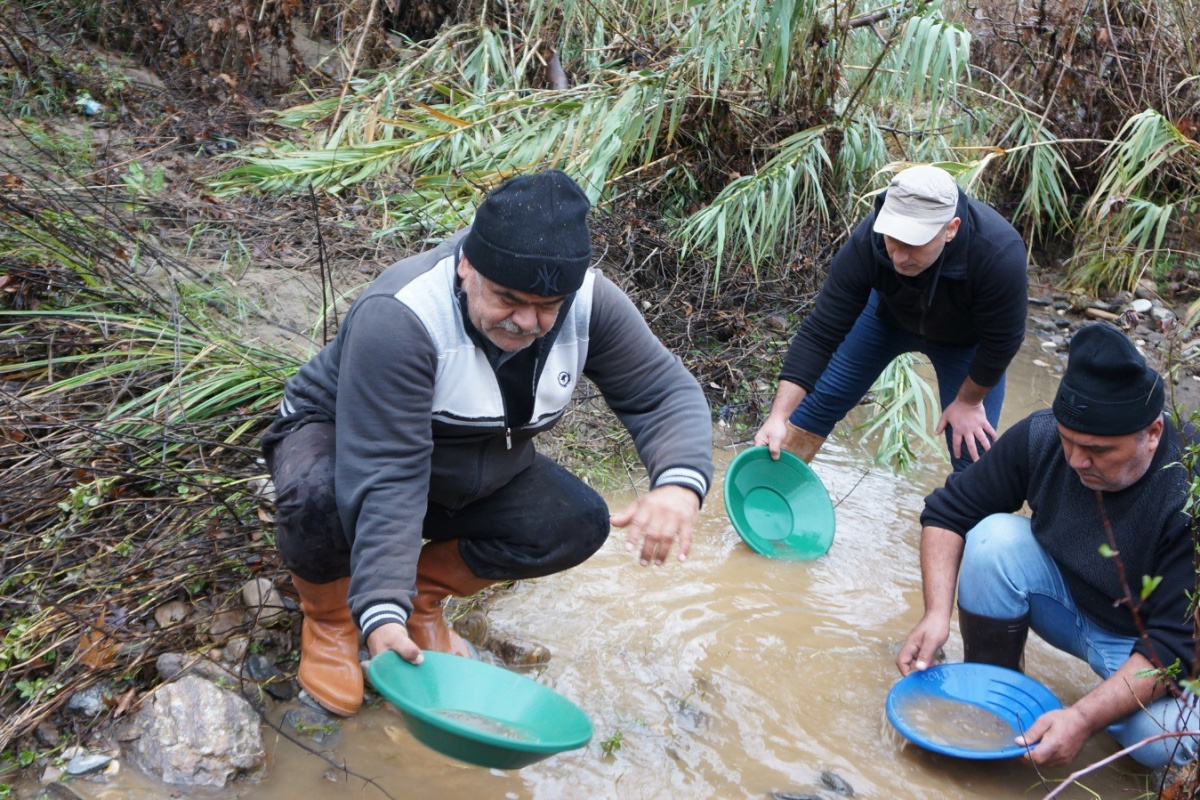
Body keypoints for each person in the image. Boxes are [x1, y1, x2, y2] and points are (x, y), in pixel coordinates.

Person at [262, 170, 714, 717]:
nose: (526, 322)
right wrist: (379, 608)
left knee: (574, 522)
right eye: (508, 299)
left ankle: (423, 600)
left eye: (547, 306)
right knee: (318, 492)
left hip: (469, 457)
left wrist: (678, 485)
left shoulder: (591, 304)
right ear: (467, 267)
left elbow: (662, 391)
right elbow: (388, 471)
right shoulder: (402, 316)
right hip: (346, 440)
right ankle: (332, 620)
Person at [896, 323, 1197, 769]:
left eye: (1097, 450)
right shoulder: (1040, 437)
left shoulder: (1188, 490)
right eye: (1067, 440)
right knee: (992, 539)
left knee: (1165, 740)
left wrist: (1083, 718)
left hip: (1147, 641)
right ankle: (997, 707)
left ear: (1152, 433)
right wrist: (936, 613)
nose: (1076, 460)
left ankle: (1101, 724)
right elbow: (947, 513)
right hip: (1069, 604)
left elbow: (1174, 649)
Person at [754, 164, 1028, 471]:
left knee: (972, 453)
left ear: (951, 229)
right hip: (885, 320)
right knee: (813, 410)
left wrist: (969, 401)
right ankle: (772, 491)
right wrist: (778, 417)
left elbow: (1002, 342)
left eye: (913, 243)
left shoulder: (998, 252)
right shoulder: (868, 239)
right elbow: (821, 332)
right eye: (893, 238)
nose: (898, 257)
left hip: (964, 341)